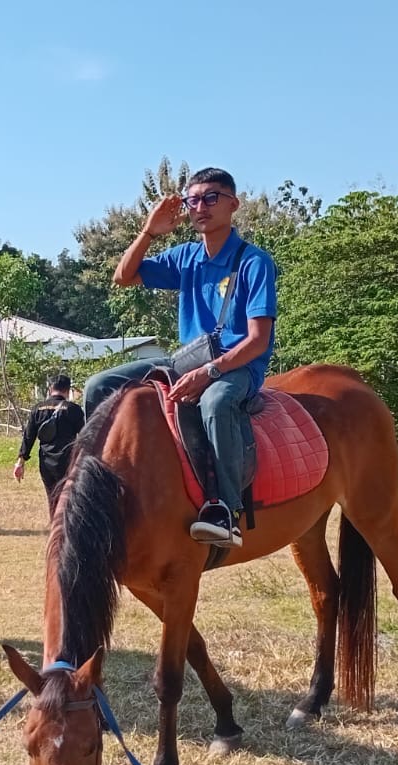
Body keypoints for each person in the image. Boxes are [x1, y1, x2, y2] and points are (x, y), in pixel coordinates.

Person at [85, 167, 277, 549]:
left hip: (236, 367)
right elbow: (123, 277)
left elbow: (257, 341)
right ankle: (96, 488)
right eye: (192, 200)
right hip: (186, 361)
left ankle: (225, 509)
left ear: (233, 205)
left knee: (217, 401)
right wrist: (149, 232)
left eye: (210, 198)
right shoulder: (186, 257)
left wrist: (210, 372)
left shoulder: (254, 263)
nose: (199, 207)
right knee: (98, 385)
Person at [14, 373, 86, 513]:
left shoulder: (38, 409)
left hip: (46, 462)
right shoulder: (73, 409)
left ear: (50, 388)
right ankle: (66, 529)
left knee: (52, 498)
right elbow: (85, 436)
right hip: (68, 461)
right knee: (68, 500)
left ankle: (55, 527)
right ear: (67, 390)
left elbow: (28, 437)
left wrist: (20, 462)